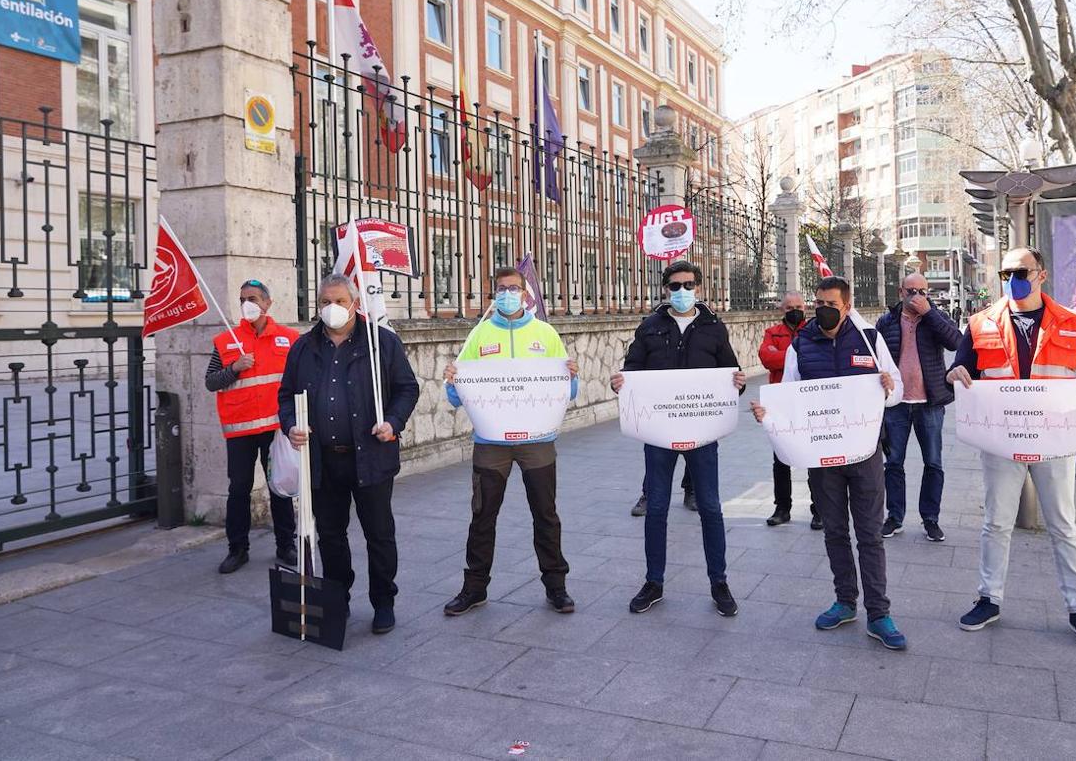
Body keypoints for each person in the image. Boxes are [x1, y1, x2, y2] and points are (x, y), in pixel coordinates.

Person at [946, 247, 1076, 649]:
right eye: (1006, 272)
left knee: (1062, 525)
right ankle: (989, 599)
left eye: (1021, 271)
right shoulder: (980, 322)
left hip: (1054, 441)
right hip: (1002, 440)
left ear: (1041, 274)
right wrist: (954, 374)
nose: (1012, 279)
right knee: (996, 523)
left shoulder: (1072, 323)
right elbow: (960, 372)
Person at [751, 276, 907, 650]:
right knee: (835, 530)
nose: (822, 309)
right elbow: (788, 393)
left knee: (869, 533)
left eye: (830, 304)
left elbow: (897, 388)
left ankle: (879, 612)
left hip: (865, 453)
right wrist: (766, 412)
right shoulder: (801, 343)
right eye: (817, 302)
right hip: (821, 456)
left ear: (847, 306)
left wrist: (888, 387)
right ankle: (845, 601)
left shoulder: (870, 339)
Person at [279, 274, 420, 635]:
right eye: (325, 301)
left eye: (340, 301)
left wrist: (393, 421)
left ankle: (383, 601)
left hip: (371, 455)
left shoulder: (381, 343)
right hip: (323, 460)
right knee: (330, 534)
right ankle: (337, 598)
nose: (332, 308)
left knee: (379, 533)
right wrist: (292, 424)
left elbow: (407, 388)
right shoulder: (303, 347)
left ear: (355, 303)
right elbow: (286, 396)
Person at [442, 266, 580, 616]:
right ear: (494, 295)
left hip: (538, 440)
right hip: (491, 443)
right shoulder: (479, 335)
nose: (508, 294)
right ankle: (474, 588)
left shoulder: (545, 333)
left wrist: (571, 375)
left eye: (514, 288)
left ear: (525, 293)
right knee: (483, 516)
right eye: (501, 289)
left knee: (545, 514)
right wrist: (453, 381)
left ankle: (557, 587)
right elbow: (457, 397)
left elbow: (569, 391)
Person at [611, 260, 746, 617]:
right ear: (665, 289)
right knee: (656, 507)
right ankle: (653, 582)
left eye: (688, 284)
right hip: (659, 433)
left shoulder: (714, 328)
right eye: (675, 285)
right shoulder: (649, 327)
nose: (682, 291)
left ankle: (719, 582)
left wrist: (739, 382)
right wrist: (620, 384)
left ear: (699, 288)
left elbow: (730, 372)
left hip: (702, 434)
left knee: (711, 507)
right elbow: (632, 371)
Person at [205, 279, 299, 574]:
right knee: (239, 489)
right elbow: (211, 382)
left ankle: (286, 546)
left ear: (268, 303)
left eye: (255, 298)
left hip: (275, 429)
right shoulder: (226, 340)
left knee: (279, 487)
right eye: (244, 298)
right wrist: (234, 368)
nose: (249, 303)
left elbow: (301, 380)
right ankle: (237, 549)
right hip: (241, 429)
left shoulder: (289, 338)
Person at [875, 272, 962, 543]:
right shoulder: (886, 321)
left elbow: (957, 343)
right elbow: (874, 359)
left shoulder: (935, 318)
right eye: (911, 291)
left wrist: (930, 314)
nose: (917, 296)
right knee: (893, 464)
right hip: (896, 404)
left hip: (930, 404)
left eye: (922, 291)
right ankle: (895, 517)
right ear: (901, 292)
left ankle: (931, 519)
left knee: (933, 463)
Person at [757, 291, 818, 528]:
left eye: (799, 306)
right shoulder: (772, 332)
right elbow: (767, 359)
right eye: (789, 306)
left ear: (806, 307)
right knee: (781, 459)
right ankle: (782, 508)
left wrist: (782, 356)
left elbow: (814, 358)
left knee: (814, 459)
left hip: (807, 402)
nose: (794, 310)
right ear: (781, 310)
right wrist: (798, 356)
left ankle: (819, 509)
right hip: (780, 405)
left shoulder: (813, 331)